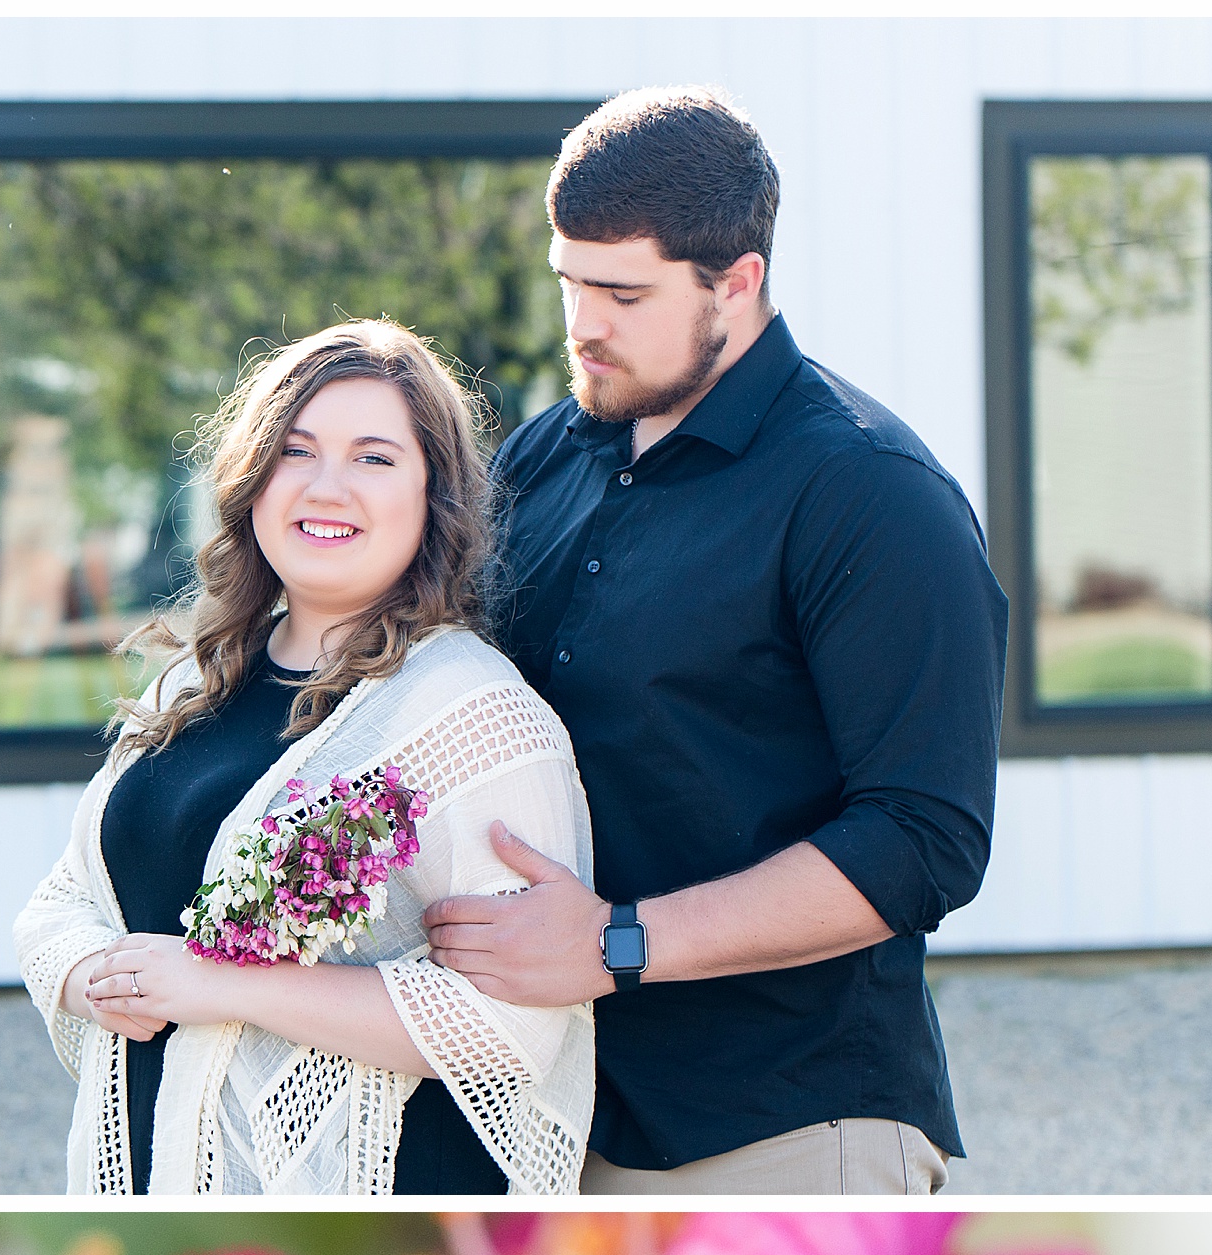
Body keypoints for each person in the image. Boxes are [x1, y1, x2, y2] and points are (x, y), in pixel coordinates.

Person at [423, 86, 1009, 1195]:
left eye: (623, 292)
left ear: (737, 282)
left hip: (780, 1129)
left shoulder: (872, 494)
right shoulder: (548, 454)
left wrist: (616, 943)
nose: (583, 324)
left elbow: (926, 839)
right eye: (569, 283)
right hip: (551, 1116)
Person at [16, 322, 594, 1195]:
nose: (328, 487)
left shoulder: (474, 716)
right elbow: (63, 899)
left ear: (434, 495)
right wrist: (94, 978)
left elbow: (508, 1026)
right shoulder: (197, 675)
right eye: (296, 451)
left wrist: (225, 985)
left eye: (374, 458)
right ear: (253, 480)